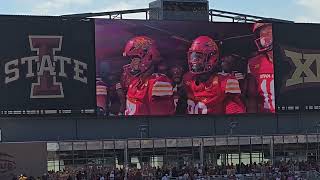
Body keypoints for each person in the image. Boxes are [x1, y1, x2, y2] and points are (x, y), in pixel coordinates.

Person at [183, 36, 245, 115]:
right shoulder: (187, 78)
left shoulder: (225, 81)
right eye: (192, 56)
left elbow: (234, 114)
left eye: (199, 57)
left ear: (211, 58)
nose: (194, 61)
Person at [122, 36, 175, 115]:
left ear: (148, 57)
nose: (131, 64)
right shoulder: (135, 82)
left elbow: (161, 123)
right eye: (130, 59)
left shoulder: (159, 83)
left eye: (134, 59)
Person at [247, 22, 275, 113]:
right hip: (266, 117)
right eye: (262, 34)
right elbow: (251, 96)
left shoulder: (292, 59)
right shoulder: (253, 63)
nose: (264, 37)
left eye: (268, 32)